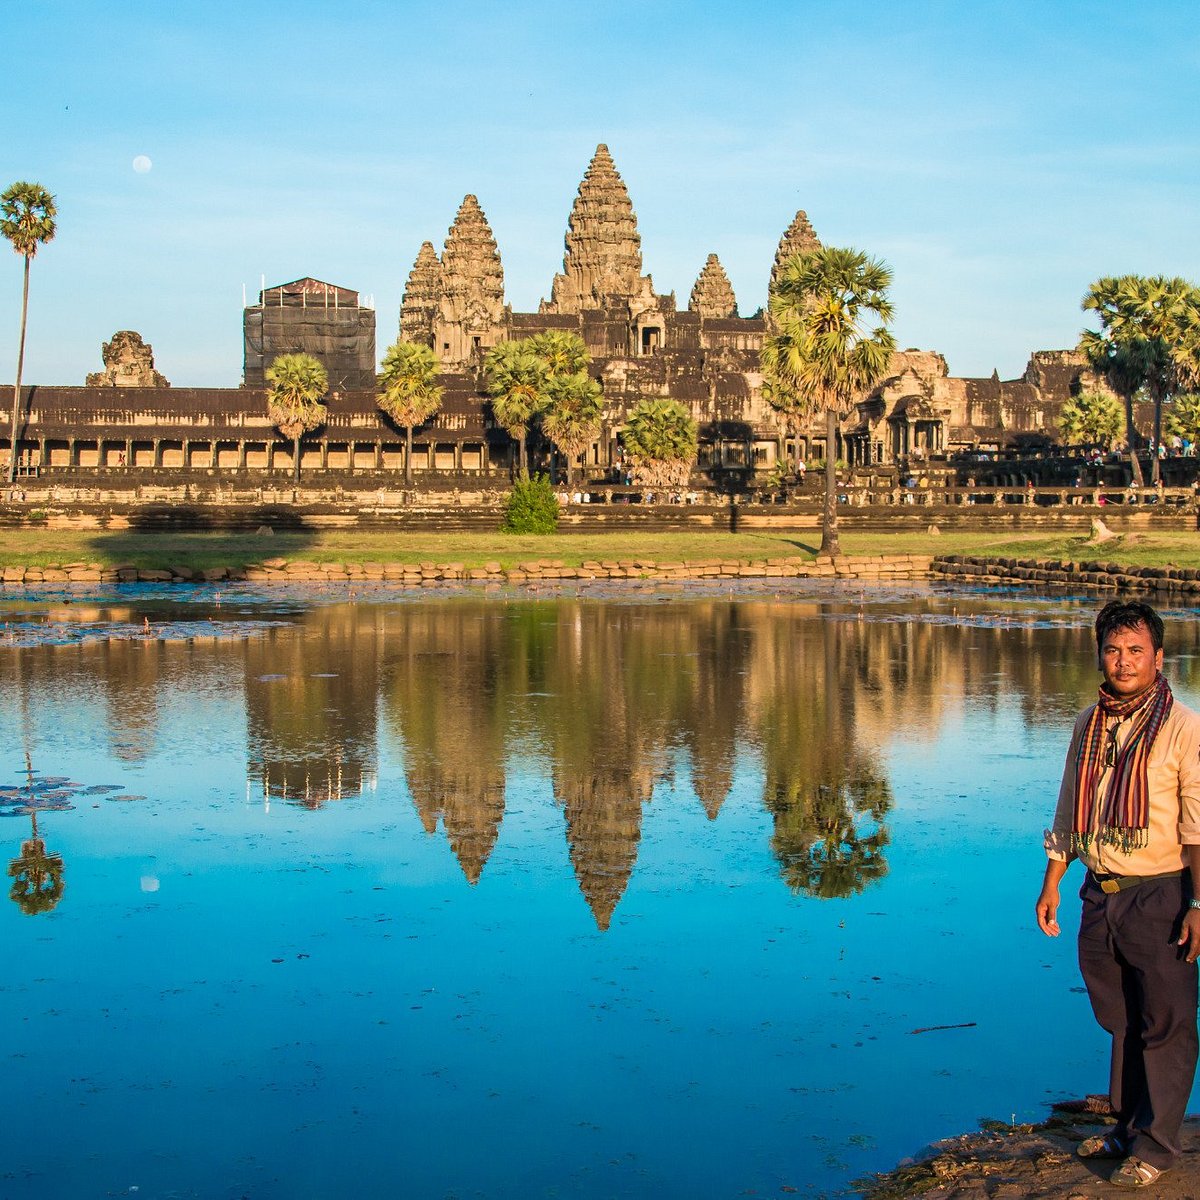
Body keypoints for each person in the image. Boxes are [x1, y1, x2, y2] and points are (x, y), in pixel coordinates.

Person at [1037, 600, 1200, 1187]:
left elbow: (1197, 827)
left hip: (1161, 892)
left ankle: (1156, 1147)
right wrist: (1053, 879)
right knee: (1120, 1016)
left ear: (1159, 658)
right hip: (1099, 892)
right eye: (1113, 649)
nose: (1124, 661)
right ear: (1100, 655)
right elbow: (1068, 807)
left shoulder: (1183, 728)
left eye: (1136, 651)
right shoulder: (1089, 721)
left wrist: (1199, 906)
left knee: (1167, 1022)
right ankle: (1129, 1124)